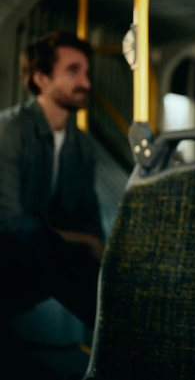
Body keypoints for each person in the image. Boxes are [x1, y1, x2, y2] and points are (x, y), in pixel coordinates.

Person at [0, 31, 104, 330]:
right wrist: (85, 240)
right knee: (38, 238)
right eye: (73, 71)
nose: (85, 82)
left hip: (46, 253)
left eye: (86, 72)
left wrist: (97, 246)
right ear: (41, 78)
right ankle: (110, 335)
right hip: (11, 251)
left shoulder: (81, 145)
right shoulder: (10, 130)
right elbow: (8, 222)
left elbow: (89, 214)